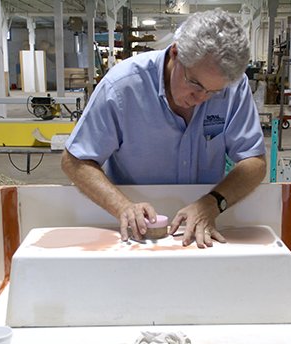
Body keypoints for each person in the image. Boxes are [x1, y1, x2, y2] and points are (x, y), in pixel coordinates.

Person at [61, 8, 266, 248]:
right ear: (176, 54)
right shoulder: (121, 88)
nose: (201, 98)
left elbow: (254, 162)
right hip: (137, 231)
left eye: (214, 92)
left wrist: (212, 203)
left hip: (204, 225)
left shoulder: (233, 85)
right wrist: (123, 207)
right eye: (195, 84)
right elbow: (74, 161)